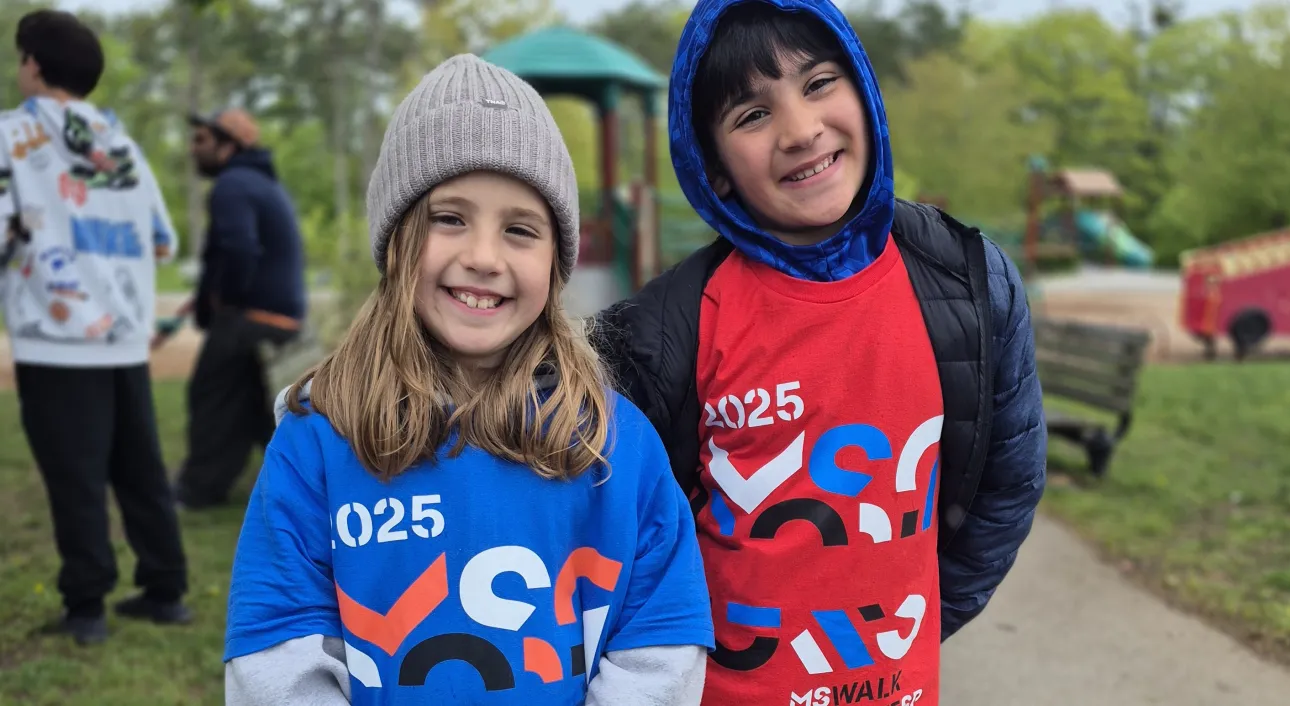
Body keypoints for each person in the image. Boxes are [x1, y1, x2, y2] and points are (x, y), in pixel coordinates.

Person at [590, 0, 1047, 703]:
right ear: (712, 168)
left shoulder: (968, 279)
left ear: (863, 90)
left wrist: (918, 632)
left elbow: (1007, 487)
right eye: (752, 115)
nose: (801, 131)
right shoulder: (664, 329)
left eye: (819, 83)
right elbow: (605, 537)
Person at [222, 55, 714, 705]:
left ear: (555, 262)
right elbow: (276, 655)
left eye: (519, 230)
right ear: (396, 242)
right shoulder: (318, 441)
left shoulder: (615, 442)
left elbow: (659, 644)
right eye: (449, 218)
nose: (483, 258)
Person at [0, 9, 191, 645]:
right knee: (140, 468)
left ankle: (86, 608)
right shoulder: (122, 146)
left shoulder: (9, 136)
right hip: (124, 334)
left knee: (75, 477)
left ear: (32, 64)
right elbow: (162, 241)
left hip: (54, 340)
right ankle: (166, 590)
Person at [169, 107, 307, 510]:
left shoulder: (232, 185)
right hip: (276, 318)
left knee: (211, 400)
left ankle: (196, 493)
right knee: (253, 408)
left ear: (228, 145)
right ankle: (295, 486)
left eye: (202, 140)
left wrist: (224, 302)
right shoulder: (262, 184)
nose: (193, 148)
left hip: (250, 318)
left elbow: (241, 249)